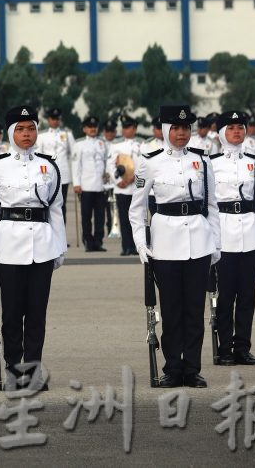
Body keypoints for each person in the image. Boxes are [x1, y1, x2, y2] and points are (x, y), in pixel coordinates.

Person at [129, 104, 221, 388]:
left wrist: (215, 243)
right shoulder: (149, 161)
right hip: (165, 243)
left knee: (194, 309)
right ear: (166, 130)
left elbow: (213, 205)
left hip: (198, 241)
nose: (182, 133)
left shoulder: (203, 161)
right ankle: (172, 368)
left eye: (186, 128)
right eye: (176, 128)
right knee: (170, 309)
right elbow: (136, 208)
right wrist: (141, 245)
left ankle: (192, 368)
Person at [0, 106, 66, 391]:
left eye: (30, 128)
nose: (26, 134)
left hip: (42, 245)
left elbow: (56, 209)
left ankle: (33, 370)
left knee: (37, 313)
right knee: (13, 313)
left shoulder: (50, 165)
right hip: (9, 246)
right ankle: (14, 370)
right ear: (10, 133)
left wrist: (59, 246)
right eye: (20, 129)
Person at [210, 110, 255, 367]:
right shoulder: (211, 163)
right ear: (222, 132)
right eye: (231, 127)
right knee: (225, 296)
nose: (237, 131)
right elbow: (209, 205)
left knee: (247, 295)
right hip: (224, 232)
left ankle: (243, 348)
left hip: (251, 231)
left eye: (240, 127)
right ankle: (224, 348)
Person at [73, 116, 108, 252]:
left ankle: (98, 241)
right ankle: (88, 241)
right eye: (90, 127)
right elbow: (76, 165)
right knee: (86, 216)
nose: (93, 129)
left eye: (95, 127)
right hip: (86, 185)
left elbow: (105, 163)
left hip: (100, 185)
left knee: (100, 216)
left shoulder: (101, 143)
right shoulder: (79, 144)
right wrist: (76, 183)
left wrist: (106, 179)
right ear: (85, 129)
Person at [110, 116, 143, 256]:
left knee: (137, 219)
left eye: (128, 127)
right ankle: (126, 247)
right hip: (122, 188)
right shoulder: (116, 145)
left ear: (134, 128)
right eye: (124, 127)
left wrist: (133, 178)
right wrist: (118, 181)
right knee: (124, 218)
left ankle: (137, 246)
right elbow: (110, 165)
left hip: (136, 187)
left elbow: (143, 165)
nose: (125, 130)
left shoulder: (142, 144)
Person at [37, 108, 75, 215]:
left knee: (62, 205)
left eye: (57, 119)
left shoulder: (67, 134)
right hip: (46, 175)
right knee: (47, 204)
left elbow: (73, 153)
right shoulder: (41, 136)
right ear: (49, 120)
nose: (55, 121)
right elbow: (38, 156)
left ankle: (61, 230)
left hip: (63, 175)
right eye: (53, 119)